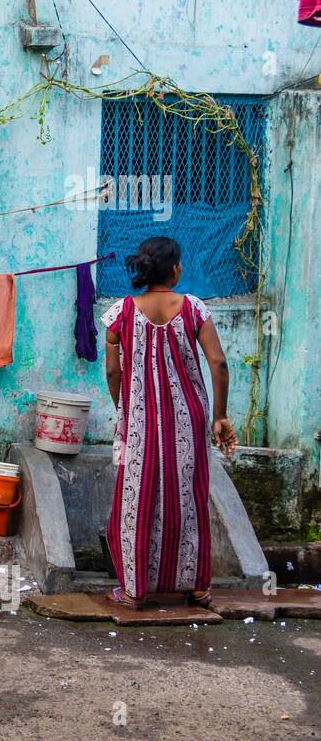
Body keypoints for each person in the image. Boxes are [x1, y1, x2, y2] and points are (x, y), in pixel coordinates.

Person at [102, 237, 236, 610]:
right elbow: (219, 363)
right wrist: (219, 416)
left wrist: (124, 410)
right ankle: (197, 587)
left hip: (139, 422)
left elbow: (113, 371)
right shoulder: (193, 308)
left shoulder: (120, 314)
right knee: (187, 498)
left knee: (138, 500)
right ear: (175, 269)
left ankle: (134, 589)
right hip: (188, 420)